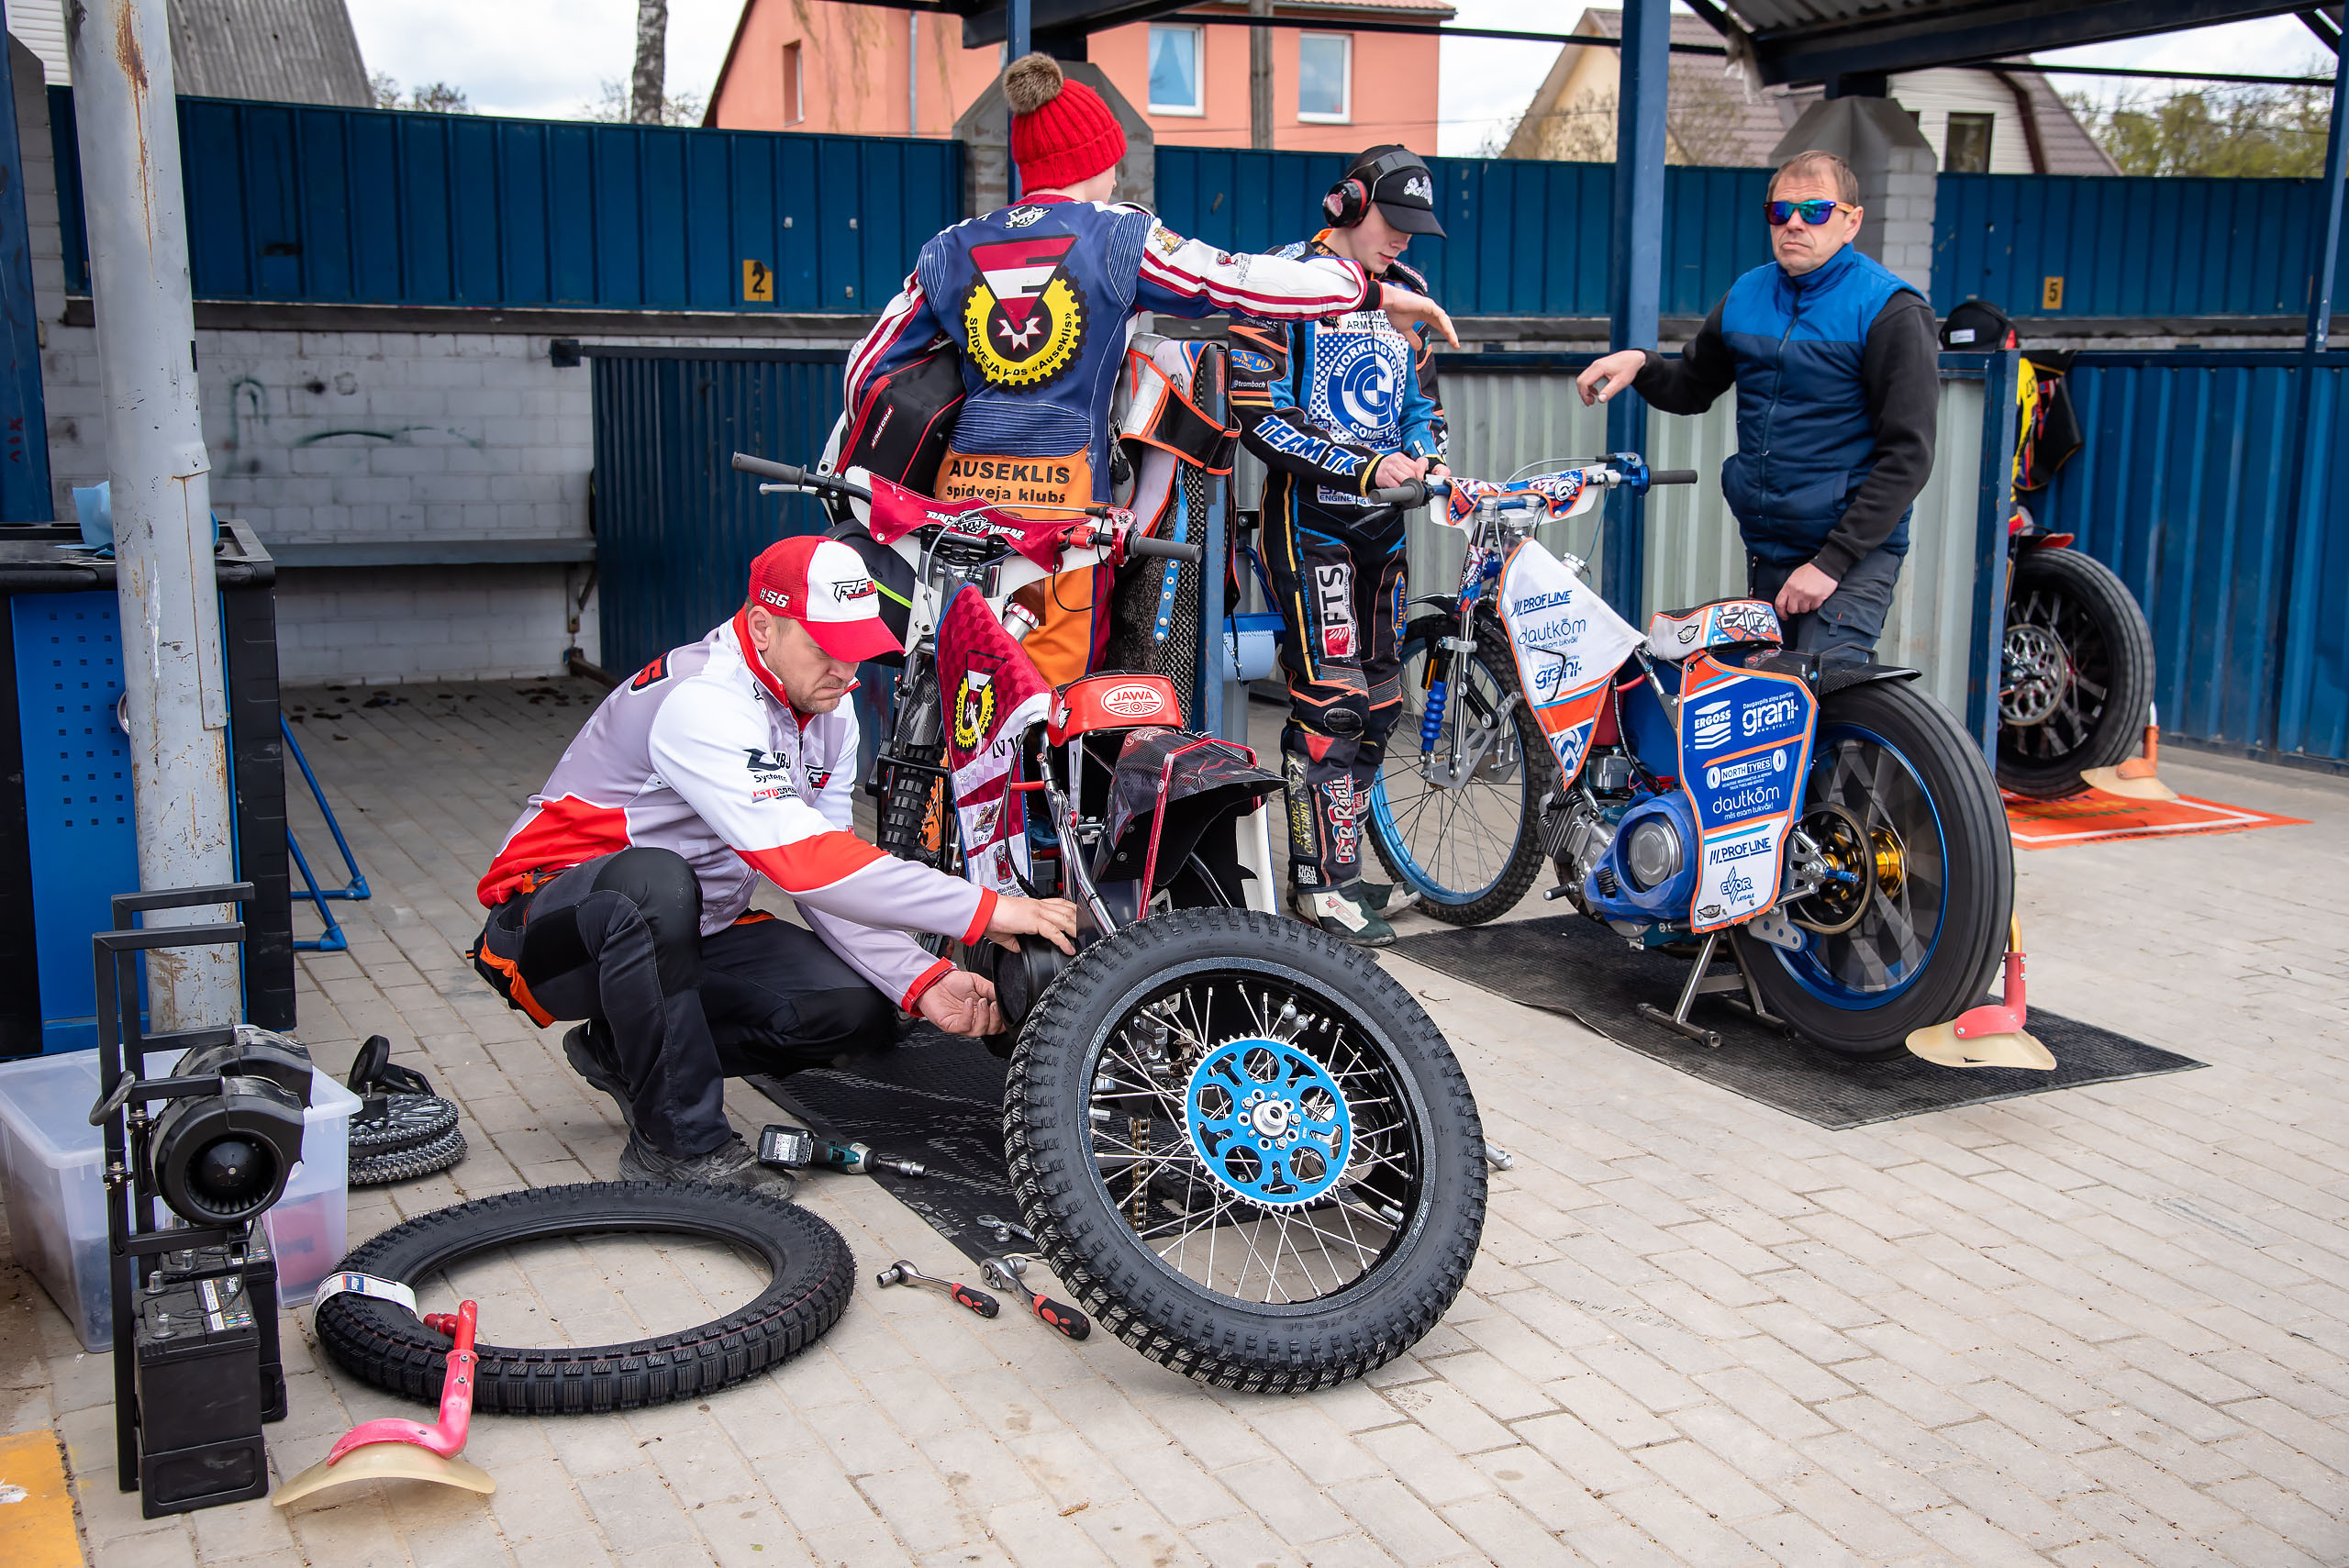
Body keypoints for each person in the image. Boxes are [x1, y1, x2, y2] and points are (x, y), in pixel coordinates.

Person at [468, 536, 1080, 1191]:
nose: (847, 672)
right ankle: (678, 1147)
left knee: (855, 1010)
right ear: (763, 626)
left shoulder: (828, 709)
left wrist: (922, 979)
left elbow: (831, 881)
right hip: (549, 928)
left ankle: (620, 1051)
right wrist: (983, 911)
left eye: (857, 649)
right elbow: (803, 862)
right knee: (654, 883)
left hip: (686, 932)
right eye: (824, 648)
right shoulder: (702, 700)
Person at [845, 53, 1456, 687]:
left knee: (964, 681)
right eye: (1113, 163)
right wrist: (1370, 293)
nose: (1117, 178)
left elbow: (866, 372)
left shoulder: (949, 246)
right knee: (1048, 706)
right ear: (1094, 161)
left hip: (961, 504)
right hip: (1066, 509)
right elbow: (1239, 281)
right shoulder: (1117, 235)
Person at [1575, 149, 1938, 662]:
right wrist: (1642, 363)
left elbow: (1909, 456)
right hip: (1771, 546)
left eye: (1814, 211)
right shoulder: (1748, 293)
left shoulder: (1890, 310)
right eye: (1779, 211)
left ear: (1851, 221)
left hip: (1851, 553)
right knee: (1763, 713)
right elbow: (1693, 388)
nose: (1793, 223)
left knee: (1820, 697)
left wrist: (1831, 563)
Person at [1230, 145, 1451, 946]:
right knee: (1333, 703)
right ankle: (1317, 883)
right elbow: (1258, 413)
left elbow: (1423, 405)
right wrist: (1364, 464)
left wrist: (1431, 455)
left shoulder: (1412, 296)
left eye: (1415, 228)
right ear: (1347, 203)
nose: (1404, 242)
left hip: (1384, 528)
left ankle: (1345, 864)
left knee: (1384, 701)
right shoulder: (1279, 282)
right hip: (1311, 523)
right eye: (1394, 222)